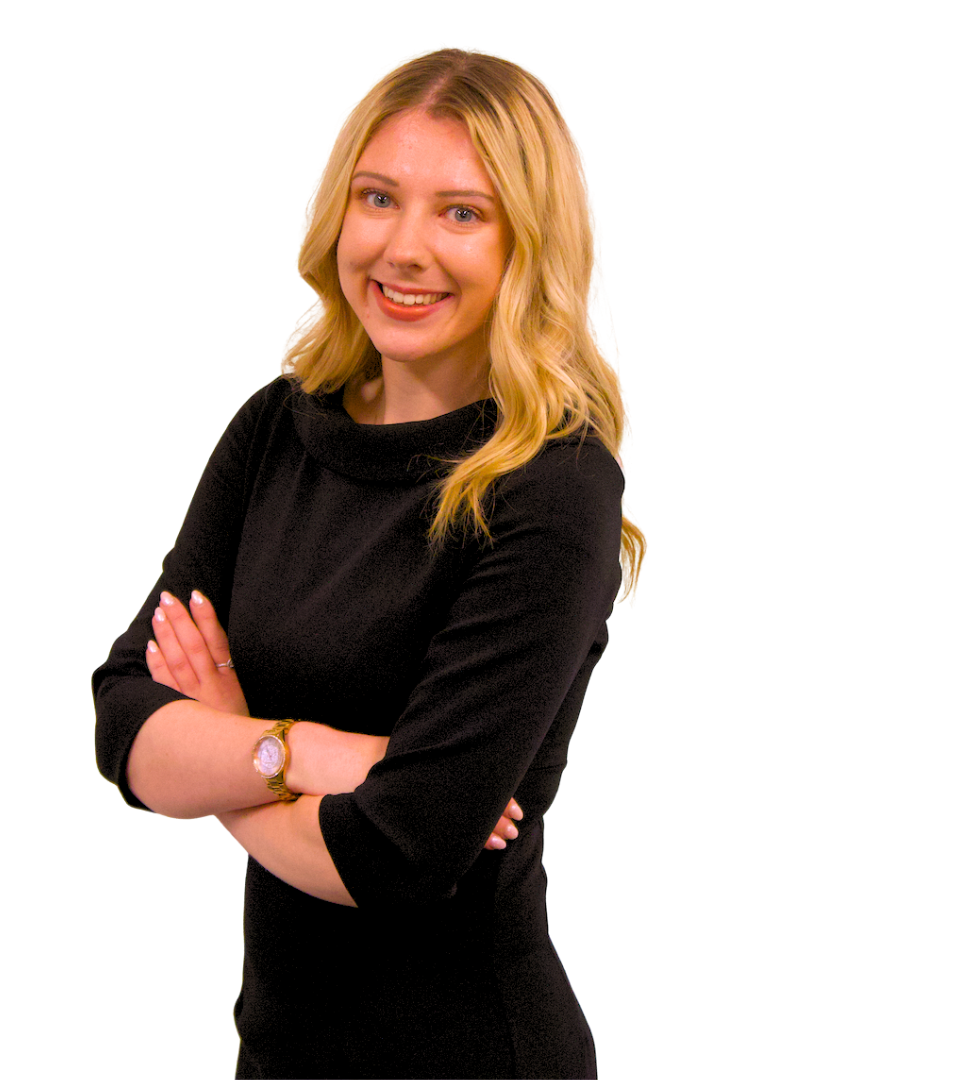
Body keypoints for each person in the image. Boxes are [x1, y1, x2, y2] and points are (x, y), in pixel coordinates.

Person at [93, 44, 647, 1080]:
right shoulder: (277, 428)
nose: (403, 248)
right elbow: (124, 723)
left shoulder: (556, 487)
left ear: (531, 245)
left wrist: (219, 758)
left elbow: (398, 853)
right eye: (378, 197)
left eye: (462, 213)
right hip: (281, 1053)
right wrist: (309, 754)